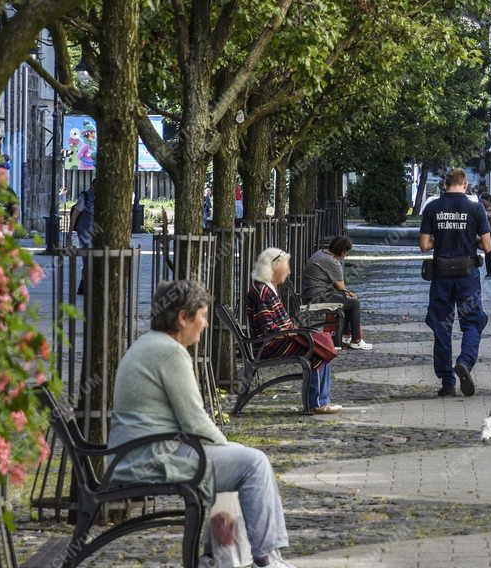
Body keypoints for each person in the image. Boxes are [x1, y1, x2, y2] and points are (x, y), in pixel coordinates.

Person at [108, 280, 297, 568]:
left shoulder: (149, 344)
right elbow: (194, 419)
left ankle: (223, 557)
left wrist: (227, 449)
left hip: (141, 453)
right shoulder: (169, 352)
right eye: (203, 316)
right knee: (253, 463)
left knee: (235, 459)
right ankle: (267, 557)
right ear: (183, 317)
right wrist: (228, 447)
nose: (206, 324)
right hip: (153, 458)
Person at [419, 168, 491, 397]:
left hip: (441, 273)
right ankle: (465, 361)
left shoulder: (432, 207)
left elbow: (424, 245)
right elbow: (488, 246)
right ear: (465, 184)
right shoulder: (475, 208)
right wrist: (474, 241)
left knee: (441, 325)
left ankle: (447, 382)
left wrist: (438, 240)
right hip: (467, 274)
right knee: (473, 321)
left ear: (445, 184)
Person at [246, 248, 341, 413]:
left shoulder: (266, 288)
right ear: (274, 268)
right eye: (286, 267)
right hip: (269, 345)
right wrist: (294, 332)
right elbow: (268, 327)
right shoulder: (263, 291)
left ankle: (321, 400)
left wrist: (296, 331)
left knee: (320, 344)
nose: (289, 271)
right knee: (317, 350)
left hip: (276, 340)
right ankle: (317, 403)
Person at [303, 235, 371, 350]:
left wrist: (346, 293)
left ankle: (345, 336)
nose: (347, 255)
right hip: (317, 297)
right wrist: (350, 293)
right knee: (354, 303)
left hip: (310, 294)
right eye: (347, 252)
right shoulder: (332, 262)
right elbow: (341, 287)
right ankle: (356, 340)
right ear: (342, 251)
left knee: (348, 301)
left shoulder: (320, 253)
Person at [70, 178, 96, 295]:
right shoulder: (85, 196)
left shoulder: (102, 198)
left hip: (96, 233)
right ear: (92, 186)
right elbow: (75, 214)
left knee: (92, 258)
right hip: (85, 232)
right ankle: (84, 286)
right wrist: (69, 233)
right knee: (88, 258)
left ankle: (85, 284)